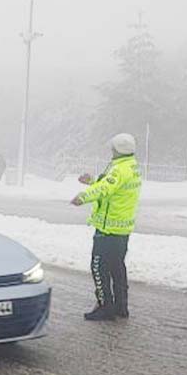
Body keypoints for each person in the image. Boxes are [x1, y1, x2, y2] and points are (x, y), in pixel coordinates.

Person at [70, 133, 141, 321]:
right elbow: (111, 186)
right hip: (122, 229)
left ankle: (105, 306)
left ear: (118, 150)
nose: (111, 151)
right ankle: (120, 306)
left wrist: (83, 196)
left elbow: (106, 189)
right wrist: (93, 181)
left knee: (98, 266)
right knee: (117, 267)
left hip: (108, 228)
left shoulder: (119, 170)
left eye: (113, 148)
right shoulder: (131, 167)